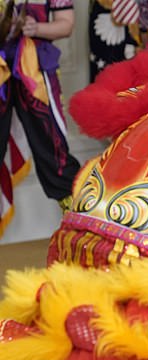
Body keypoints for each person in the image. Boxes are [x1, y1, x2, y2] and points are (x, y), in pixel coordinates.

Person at [0, 0, 81, 223]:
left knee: (54, 152)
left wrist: (36, 28)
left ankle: (79, 225)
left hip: (34, 69)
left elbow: (66, 24)